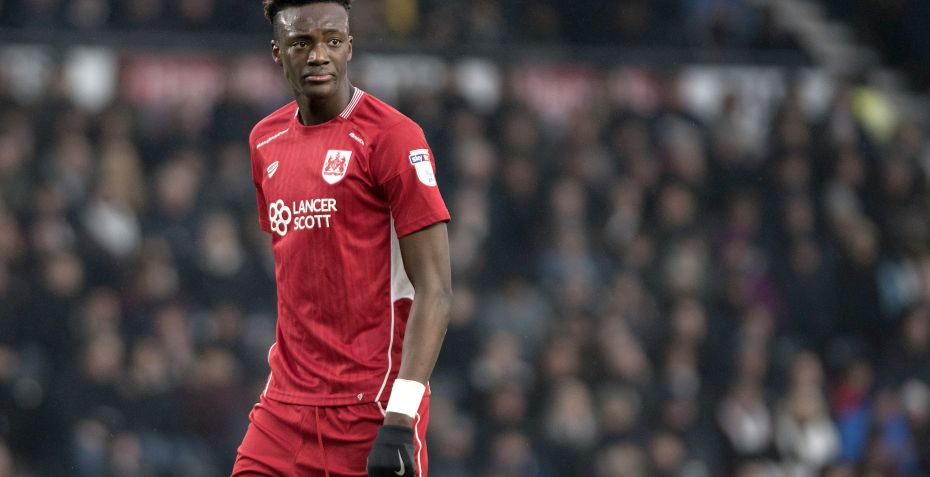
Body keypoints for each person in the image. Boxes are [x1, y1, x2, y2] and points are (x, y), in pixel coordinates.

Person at [231, 1, 453, 476]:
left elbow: (435, 290)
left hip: (373, 409)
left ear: (349, 47)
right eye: (301, 43)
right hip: (284, 408)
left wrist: (401, 416)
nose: (319, 55)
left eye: (332, 41)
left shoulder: (394, 138)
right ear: (277, 52)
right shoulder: (264, 141)